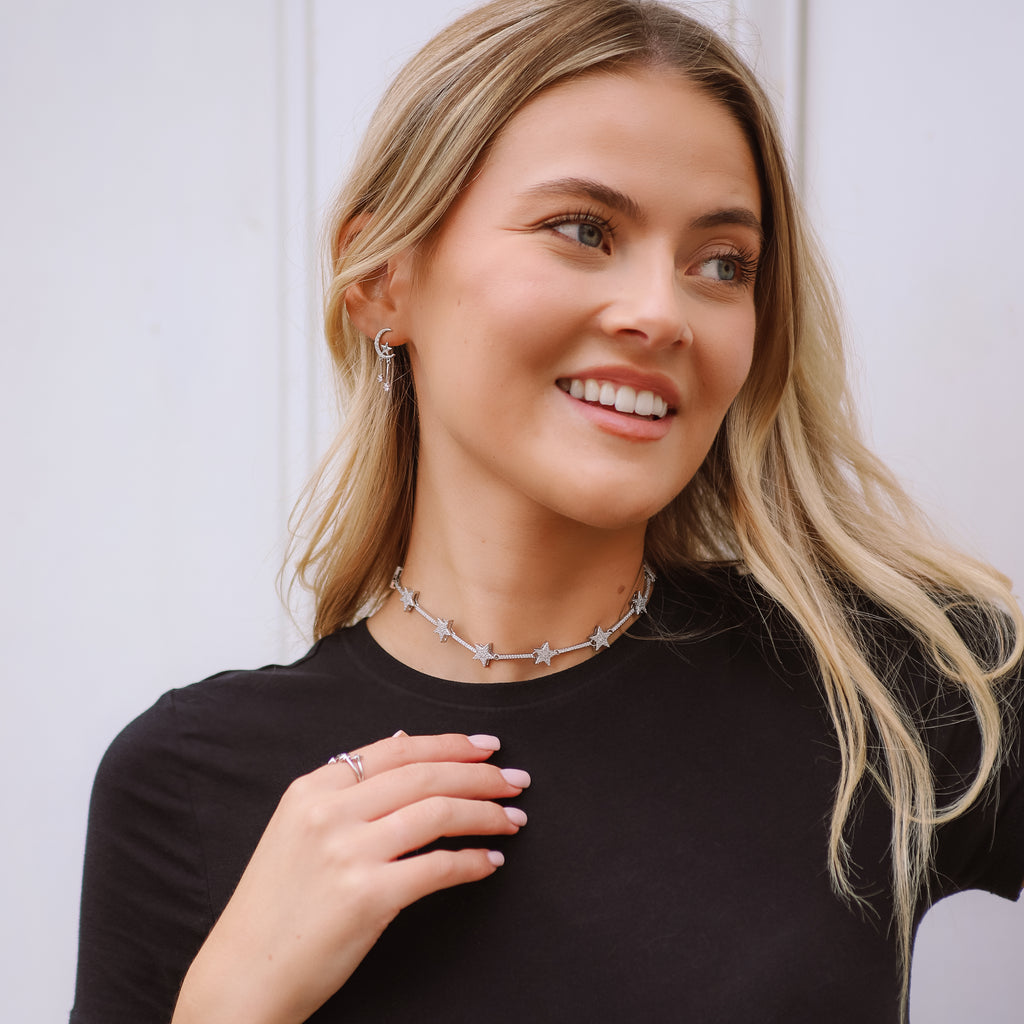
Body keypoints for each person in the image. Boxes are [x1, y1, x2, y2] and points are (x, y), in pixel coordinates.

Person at [70, 1, 1024, 1021]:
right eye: (583, 230)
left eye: (721, 264)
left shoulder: (888, 682)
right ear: (383, 275)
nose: (660, 313)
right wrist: (228, 1002)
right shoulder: (187, 783)